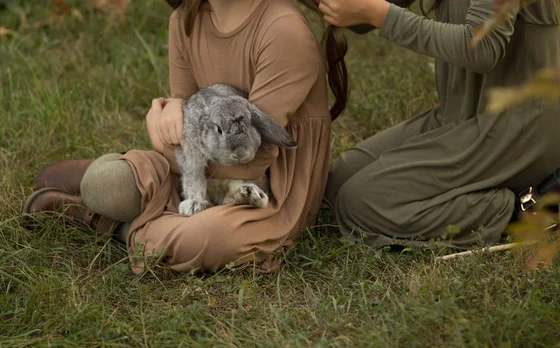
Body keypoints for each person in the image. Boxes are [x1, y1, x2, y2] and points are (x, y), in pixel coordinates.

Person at [23, 0, 348, 274]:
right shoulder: (187, 17)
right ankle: (123, 185)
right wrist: (165, 112)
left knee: (211, 238)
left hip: (265, 190)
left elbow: (251, 160)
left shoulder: (283, 31)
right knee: (110, 184)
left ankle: (112, 221)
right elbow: (185, 113)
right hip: (200, 166)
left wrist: (163, 142)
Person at [320, 0, 560, 248]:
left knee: (359, 204)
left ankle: (527, 208)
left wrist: (380, 15)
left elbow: (482, 47)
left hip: (522, 129)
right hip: (461, 116)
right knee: (332, 187)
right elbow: (365, 11)